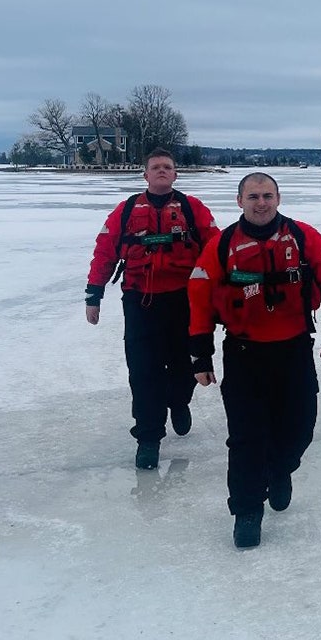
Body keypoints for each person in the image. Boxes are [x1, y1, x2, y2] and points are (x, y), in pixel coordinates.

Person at [188, 172, 321, 549]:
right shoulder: (221, 245)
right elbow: (199, 298)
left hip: (293, 351)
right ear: (240, 200)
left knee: (300, 428)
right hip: (244, 354)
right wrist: (200, 354)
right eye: (254, 196)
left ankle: (280, 469)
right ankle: (246, 511)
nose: (261, 203)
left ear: (278, 198)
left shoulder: (305, 238)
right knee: (246, 438)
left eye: (268, 195)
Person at [85, 148, 219, 469]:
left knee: (185, 366)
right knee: (144, 373)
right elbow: (105, 252)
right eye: (155, 167)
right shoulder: (127, 210)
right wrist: (94, 294)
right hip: (140, 303)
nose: (161, 171)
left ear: (175, 175)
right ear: (145, 175)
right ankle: (148, 438)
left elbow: (216, 250)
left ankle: (179, 401)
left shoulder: (192, 208)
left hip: (184, 303)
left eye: (167, 167)